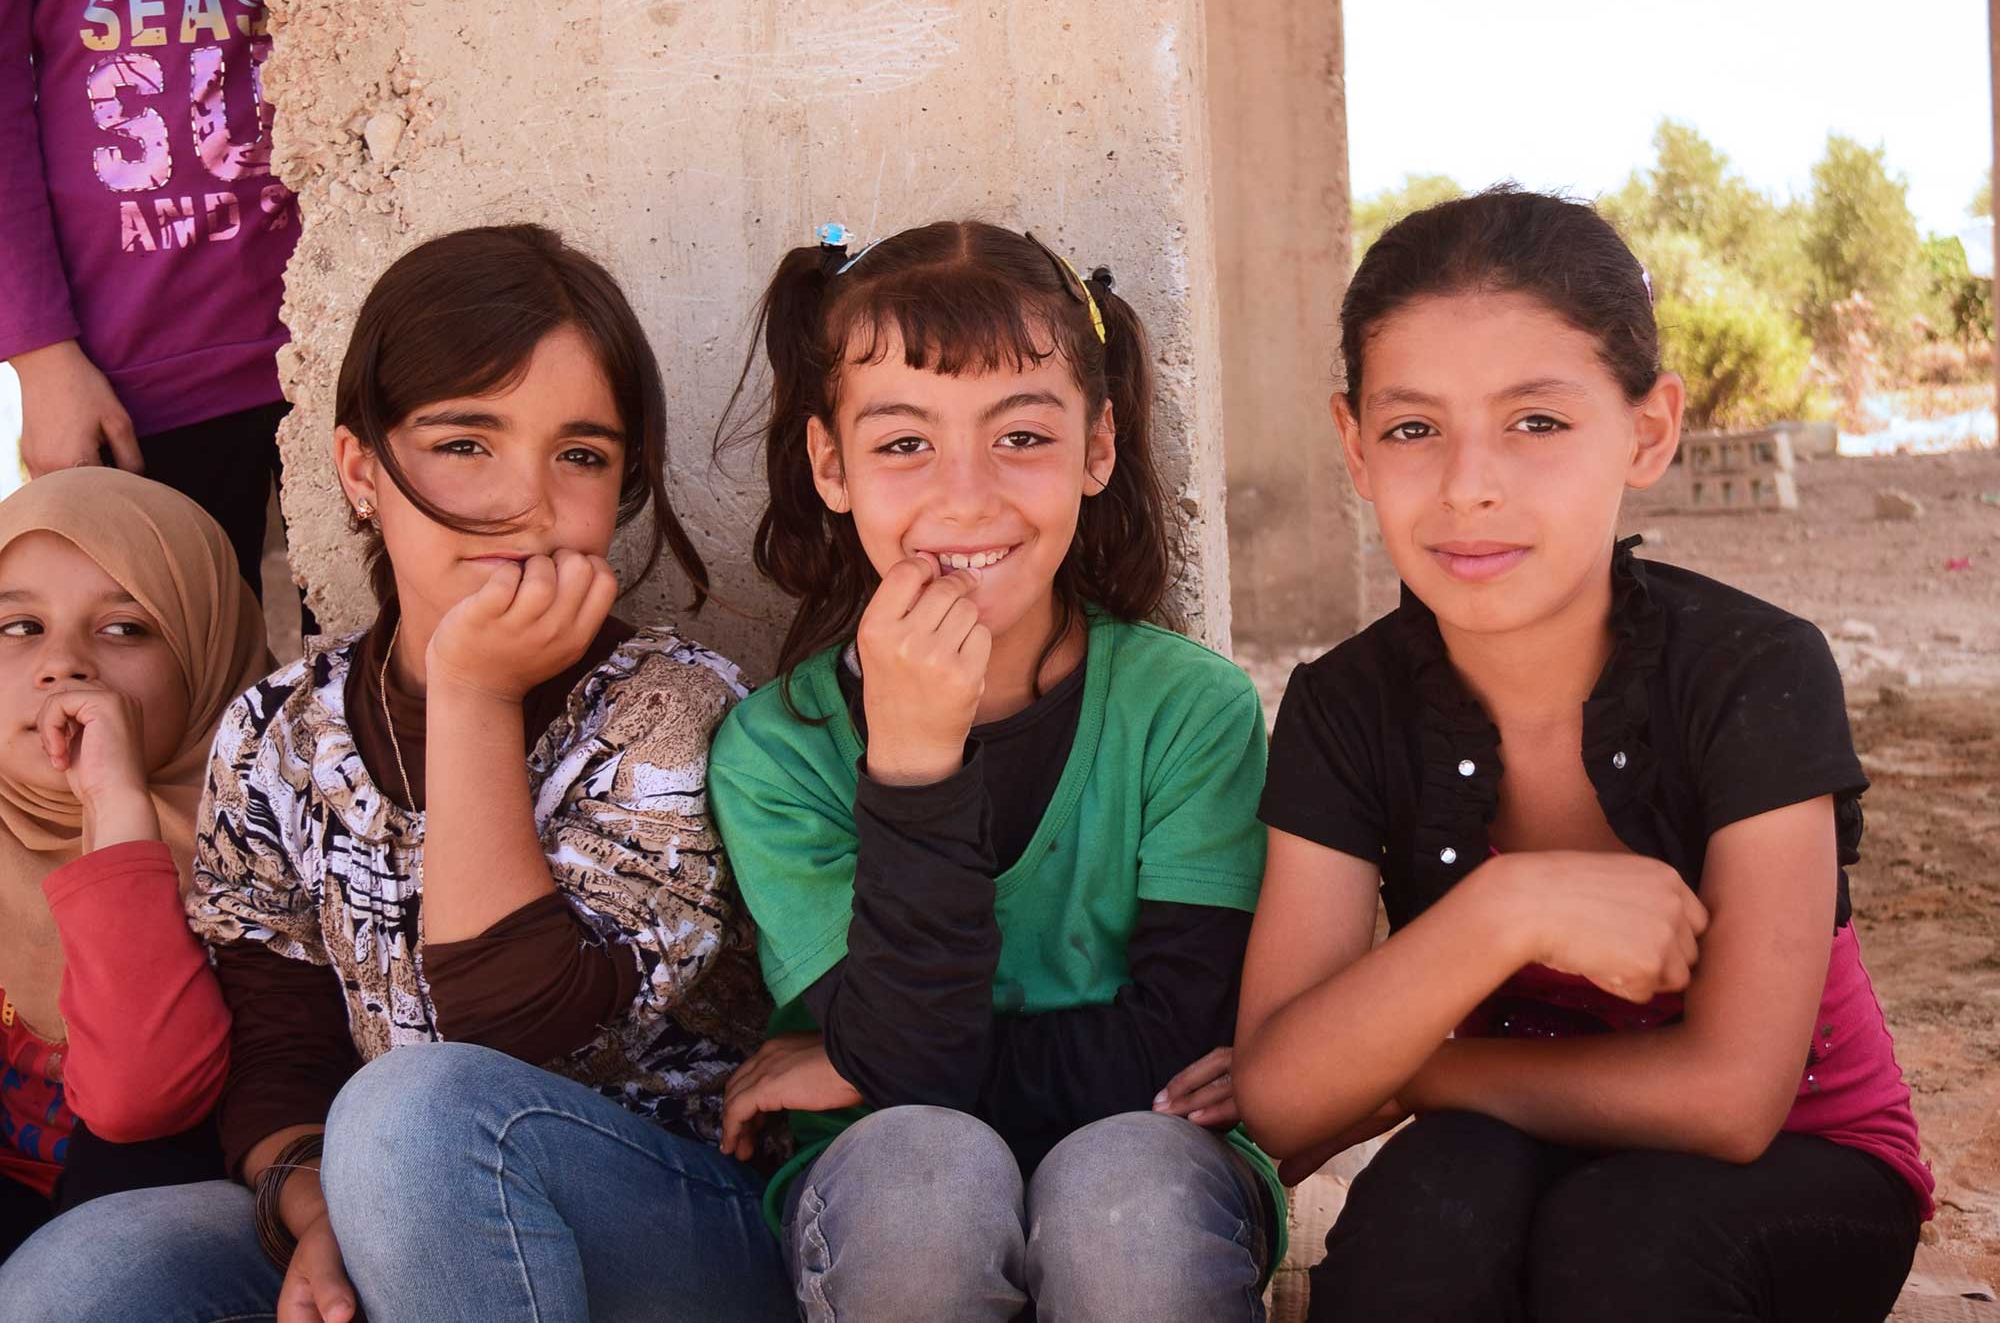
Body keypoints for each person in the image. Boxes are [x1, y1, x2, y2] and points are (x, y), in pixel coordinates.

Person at [0, 225, 788, 1323]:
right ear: (361, 470)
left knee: (414, 1111)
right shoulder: (280, 726)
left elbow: (520, 1028)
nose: (524, 497)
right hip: (385, 1191)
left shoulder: (672, 709)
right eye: (467, 443)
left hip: (668, 1224)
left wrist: (471, 694)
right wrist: (316, 1207)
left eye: (581, 453)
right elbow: (278, 1041)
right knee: (81, 1271)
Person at [1233, 187, 1932, 1323]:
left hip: (1803, 1159)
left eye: (1536, 422)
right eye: (1412, 427)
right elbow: (1277, 1096)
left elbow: (1730, 1098)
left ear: (1647, 431)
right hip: (1506, 1143)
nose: (1468, 481)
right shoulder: (1341, 706)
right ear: (1353, 447)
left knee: (1624, 1241)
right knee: (1417, 1222)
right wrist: (1508, 907)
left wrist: (1409, 1065)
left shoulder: (1750, 669)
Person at [709, 220, 1286, 1323]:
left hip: (1149, 1170)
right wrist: (915, 760)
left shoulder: (1188, 710)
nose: (966, 497)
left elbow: (1173, 1051)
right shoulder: (778, 751)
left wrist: (858, 1058)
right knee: (923, 1177)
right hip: (885, 1187)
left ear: (1097, 447)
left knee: (1126, 1192)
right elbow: (910, 1084)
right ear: (829, 464)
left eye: (1020, 436)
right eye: (902, 444)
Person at [0, 468, 268, 1263]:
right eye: (18, 627)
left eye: (125, 628)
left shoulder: (259, 845)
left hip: (134, 1246)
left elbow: (137, 1099)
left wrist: (117, 807)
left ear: (208, 654)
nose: (63, 667)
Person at [1, 0, 298, 593]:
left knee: (364, 645)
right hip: (137, 379)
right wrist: (43, 361)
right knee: (176, 652)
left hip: (329, 343)